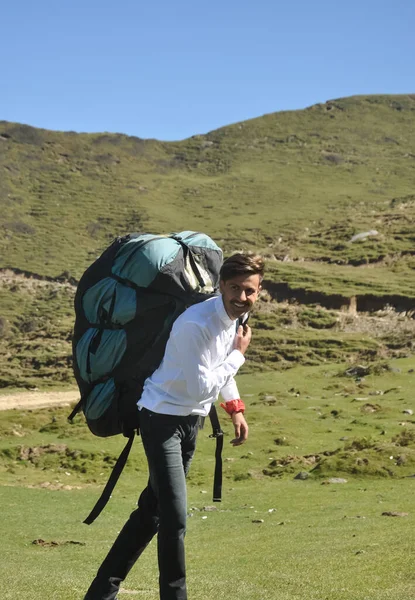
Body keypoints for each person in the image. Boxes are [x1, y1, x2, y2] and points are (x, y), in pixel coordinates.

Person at [84, 252, 264, 600]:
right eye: (236, 288)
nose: (242, 298)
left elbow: (217, 370)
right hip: (161, 419)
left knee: (151, 512)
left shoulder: (232, 321)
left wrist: (235, 409)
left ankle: (100, 593)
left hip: (190, 422)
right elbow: (202, 384)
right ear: (222, 286)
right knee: (174, 517)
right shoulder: (196, 324)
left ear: (259, 291)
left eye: (250, 291)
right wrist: (240, 355)